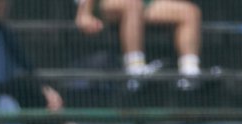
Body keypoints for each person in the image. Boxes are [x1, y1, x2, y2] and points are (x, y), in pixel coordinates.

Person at [74, 0, 203, 89]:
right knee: (133, 4)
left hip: (141, 5)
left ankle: (190, 74)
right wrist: (84, 13)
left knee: (190, 12)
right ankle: (135, 71)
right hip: (105, 4)